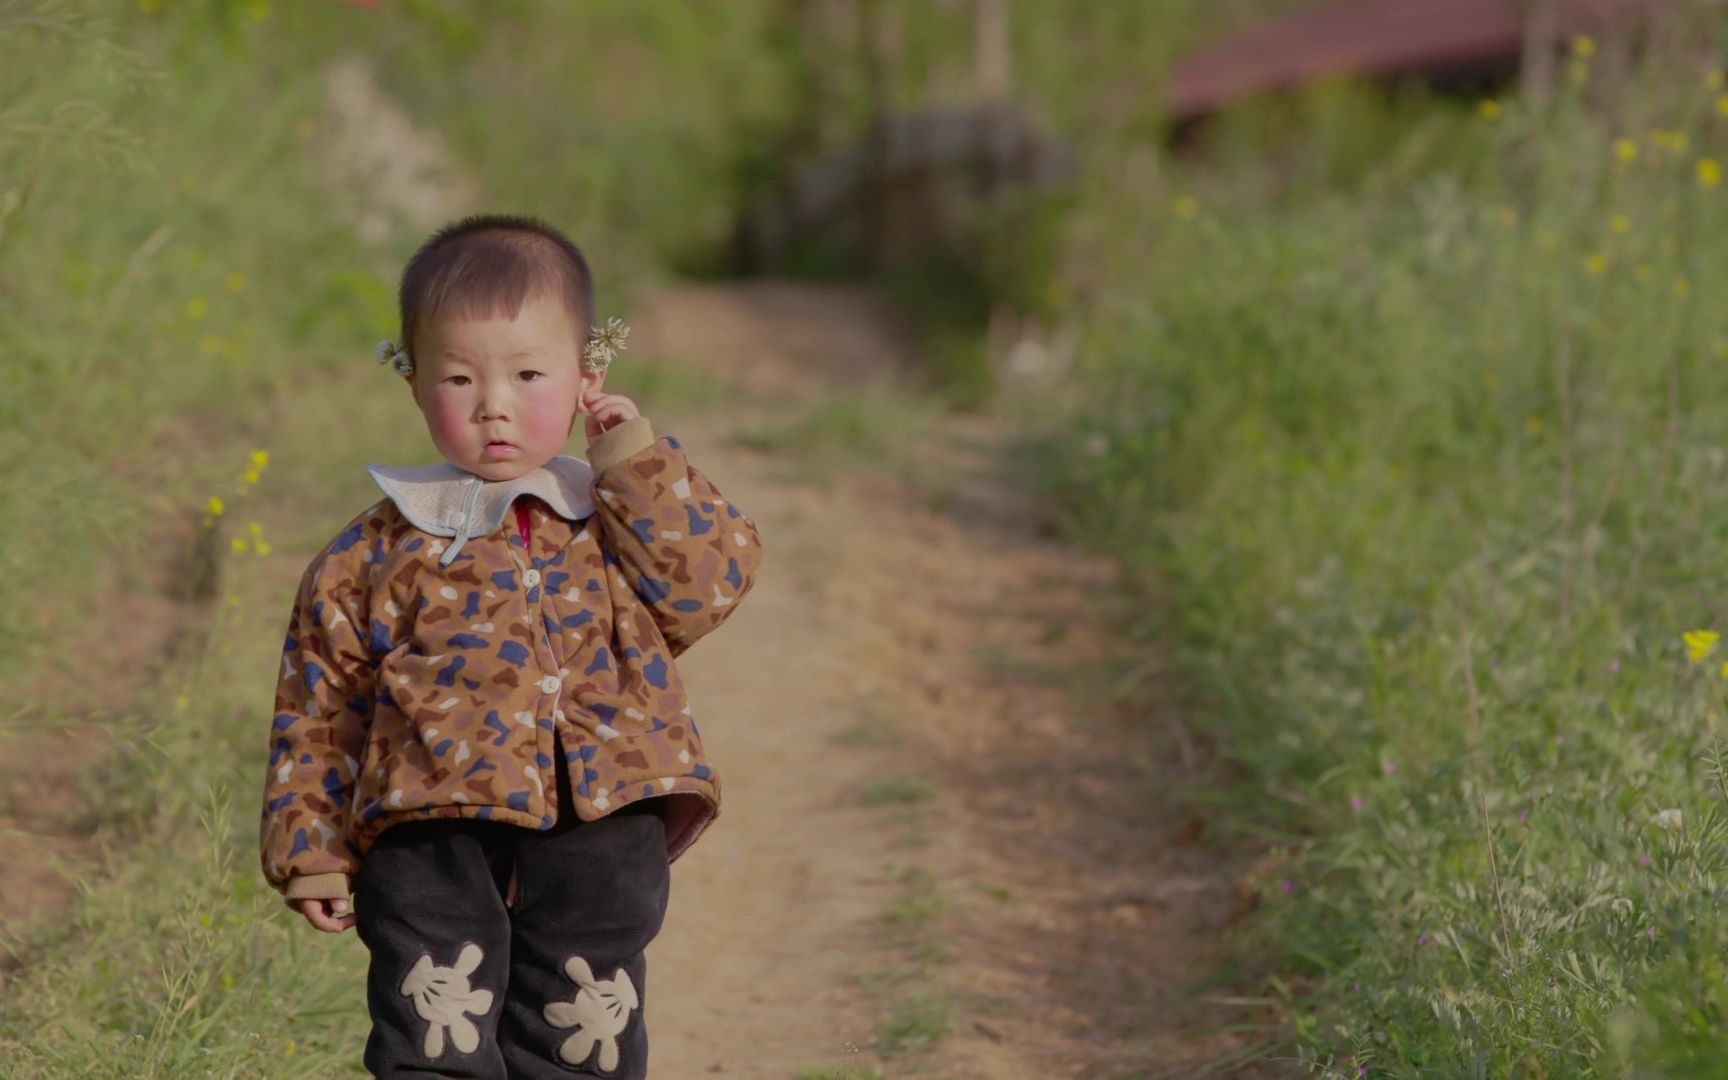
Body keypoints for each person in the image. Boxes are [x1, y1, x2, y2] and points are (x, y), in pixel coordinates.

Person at [258, 212, 765, 1078]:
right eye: (458, 379)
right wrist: (308, 849)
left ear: (584, 378)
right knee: (433, 1036)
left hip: (603, 821)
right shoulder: (375, 551)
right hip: (426, 832)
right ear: (414, 384)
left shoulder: (613, 516)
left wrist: (632, 459)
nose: (493, 405)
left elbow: (710, 583)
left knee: (581, 1037)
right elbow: (318, 704)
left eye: (529, 374)